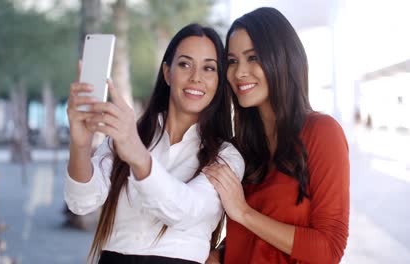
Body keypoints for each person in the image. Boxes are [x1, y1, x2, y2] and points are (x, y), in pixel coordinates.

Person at [65, 23, 244, 264]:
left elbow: (186, 210)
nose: (196, 78)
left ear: (219, 81)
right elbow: (81, 202)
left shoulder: (226, 156)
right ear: (168, 73)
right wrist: (80, 145)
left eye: (209, 68)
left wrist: (139, 157)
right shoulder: (128, 135)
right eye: (185, 64)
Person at [203, 7, 350, 264]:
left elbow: (329, 249)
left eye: (253, 57)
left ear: (282, 58)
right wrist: (219, 254)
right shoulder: (242, 147)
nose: (239, 73)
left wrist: (243, 212)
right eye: (233, 61)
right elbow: (251, 235)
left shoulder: (323, 132)